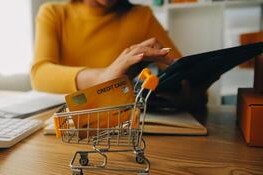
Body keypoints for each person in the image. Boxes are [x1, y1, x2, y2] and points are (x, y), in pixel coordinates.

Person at [31, 0, 213, 110]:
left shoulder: (142, 16)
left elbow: (183, 70)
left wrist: (194, 92)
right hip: (69, 120)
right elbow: (39, 75)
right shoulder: (54, 13)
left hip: (125, 122)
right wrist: (103, 77)